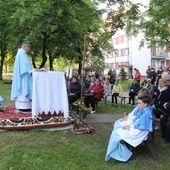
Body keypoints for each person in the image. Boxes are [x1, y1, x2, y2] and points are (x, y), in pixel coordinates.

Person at [105, 91, 153, 162]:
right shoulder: (146, 110)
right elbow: (137, 122)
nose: (138, 105)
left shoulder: (146, 114)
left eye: (139, 103)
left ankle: (123, 155)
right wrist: (129, 126)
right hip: (136, 131)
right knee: (115, 133)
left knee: (115, 135)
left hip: (138, 135)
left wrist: (129, 128)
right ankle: (121, 152)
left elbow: (139, 131)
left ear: (145, 104)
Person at [11, 41, 34, 111]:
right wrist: (34, 70)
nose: (29, 48)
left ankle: (22, 106)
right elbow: (26, 67)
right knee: (24, 90)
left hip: (22, 75)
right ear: (24, 46)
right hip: (23, 76)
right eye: (28, 47)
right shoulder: (22, 54)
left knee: (22, 90)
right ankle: (24, 107)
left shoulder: (20, 53)